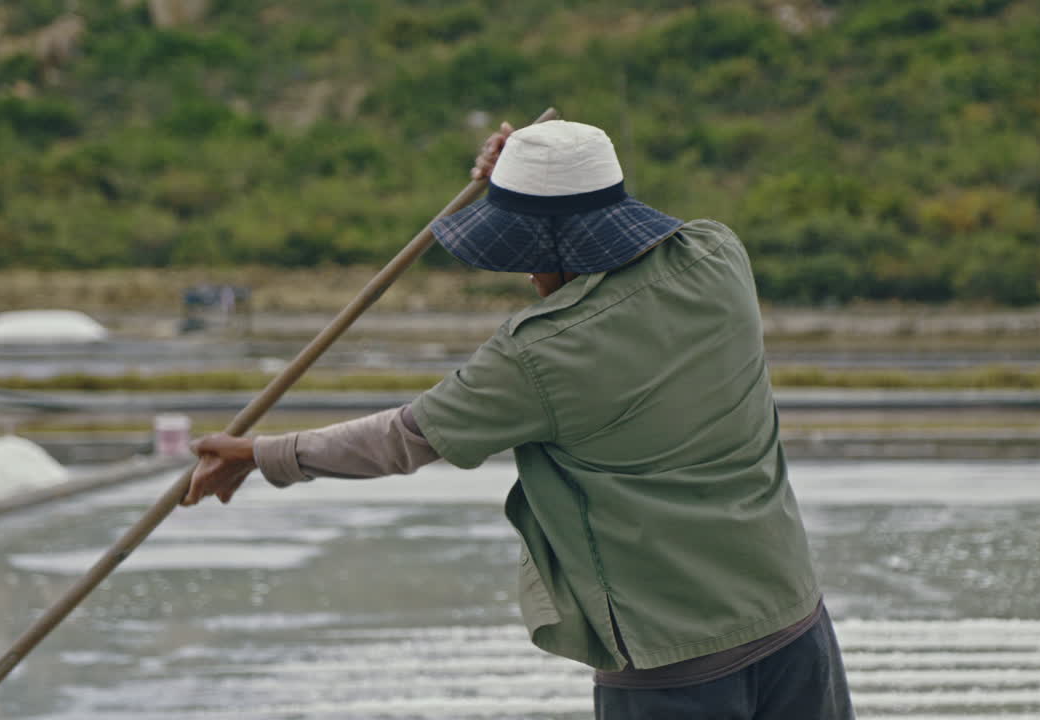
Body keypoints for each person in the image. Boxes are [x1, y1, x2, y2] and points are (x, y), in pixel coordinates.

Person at [183, 119, 856, 720]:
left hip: (671, 664)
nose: (531, 276)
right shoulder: (718, 258)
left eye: (532, 254)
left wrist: (260, 454)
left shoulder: (541, 355)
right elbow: (625, 217)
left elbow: (403, 439)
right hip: (794, 624)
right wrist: (536, 169)